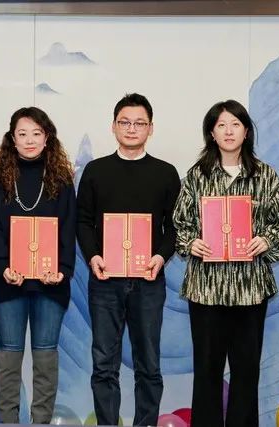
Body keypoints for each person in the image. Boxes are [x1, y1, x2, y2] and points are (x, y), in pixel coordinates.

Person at [173, 100, 279, 427]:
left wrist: (267, 239)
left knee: (246, 370)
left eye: (235, 124)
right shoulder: (197, 176)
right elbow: (180, 223)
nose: (229, 131)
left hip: (250, 287)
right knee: (207, 370)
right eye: (221, 125)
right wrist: (191, 242)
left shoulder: (265, 175)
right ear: (211, 133)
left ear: (246, 131)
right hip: (206, 288)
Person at [77, 93, 181, 426]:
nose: (131, 128)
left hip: (148, 281)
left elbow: (175, 227)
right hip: (105, 280)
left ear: (151, 128)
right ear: (113, 126)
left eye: (139, 123)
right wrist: (93, 256)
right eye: (125, 122)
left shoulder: (165, 173)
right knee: (104, 364)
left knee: (148, 364)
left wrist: (160, 257)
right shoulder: (96, 171)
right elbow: (83, 221)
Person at [0, 107, 76, 423]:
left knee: (46, 357)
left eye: (36, 133)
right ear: (12, 138)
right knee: (8, 357)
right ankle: (8, 422)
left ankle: (41, 422)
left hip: (51, 283)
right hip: (9, 281)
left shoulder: (61, 179)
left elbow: (69, 227)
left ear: (47, 137)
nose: (29, 140)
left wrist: (62, 269)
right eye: (22, 134)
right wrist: (3, 266)